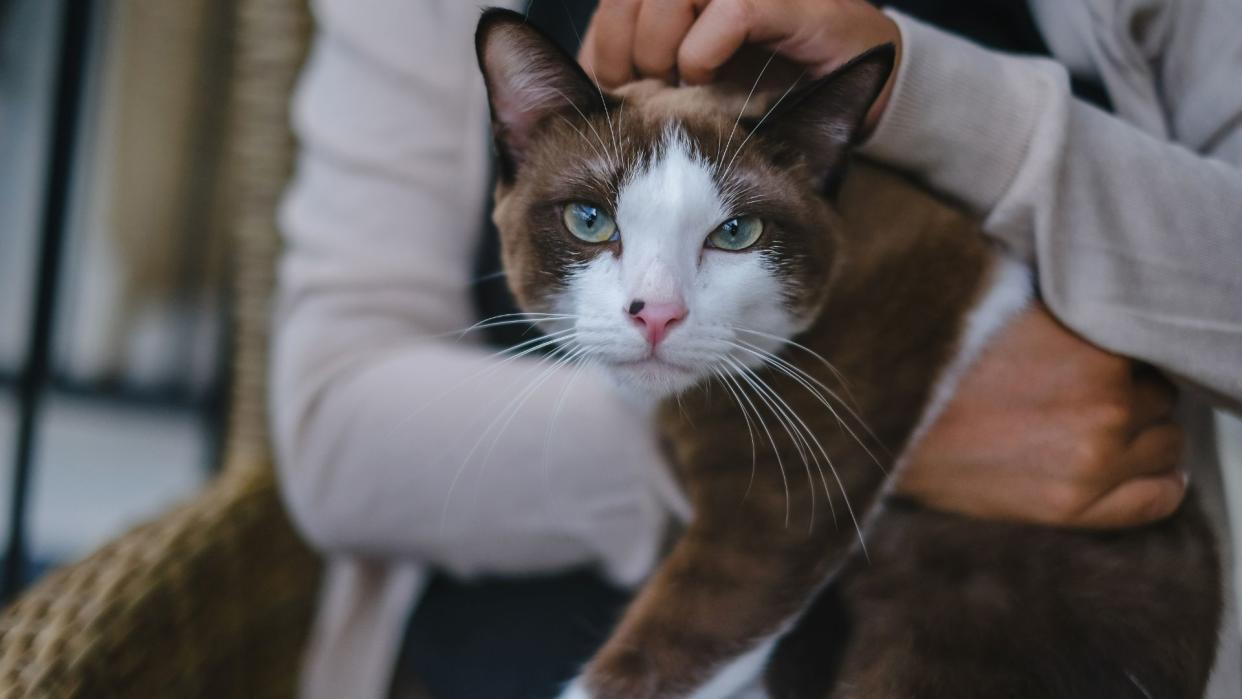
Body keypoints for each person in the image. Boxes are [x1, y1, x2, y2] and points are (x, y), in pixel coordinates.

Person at [272, 1, 1242, 697]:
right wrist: (847, 448)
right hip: (503, 645)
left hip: (1016, 623)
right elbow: (331, 430)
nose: (654, 309)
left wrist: (933, 96)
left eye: (726, 238)